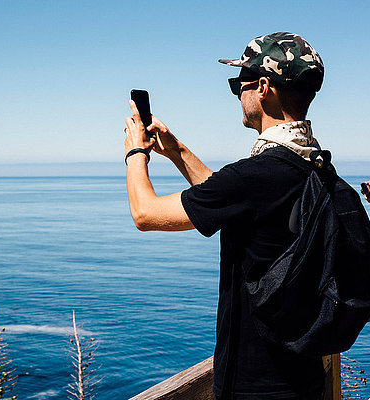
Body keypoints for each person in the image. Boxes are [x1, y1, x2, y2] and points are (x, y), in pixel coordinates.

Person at [124, 32, 328, 399]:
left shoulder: (255, 176)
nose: (237, 94)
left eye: (239, 84)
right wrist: (177, 151)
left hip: (253, 387)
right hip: (307, 377)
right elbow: (234, 202)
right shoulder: (317, 169)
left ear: (263, 87)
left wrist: (136, 152)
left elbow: (145, 213)